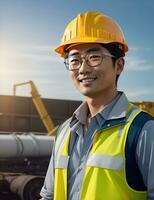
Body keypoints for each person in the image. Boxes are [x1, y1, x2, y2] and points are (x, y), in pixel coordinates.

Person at [40, 11, 154, 200]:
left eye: (94, 57)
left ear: (119, 65)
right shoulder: (63, 132)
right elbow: (49, 195)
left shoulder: (143, 131)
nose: (83, 69)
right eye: (74, 60)